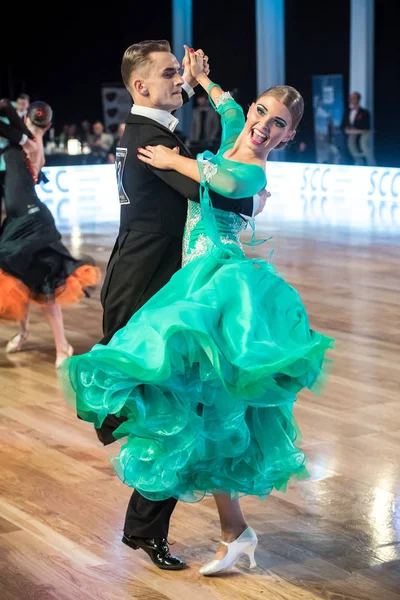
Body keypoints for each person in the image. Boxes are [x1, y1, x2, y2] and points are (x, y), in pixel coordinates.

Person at [60, 50, 334, 575]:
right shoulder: (202, 131)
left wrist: (177, 160)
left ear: (287, 137)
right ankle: (231, 529)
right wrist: (206, 81)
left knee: (200, 408)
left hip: (212, 288)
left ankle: (222, 528)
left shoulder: (246, 168)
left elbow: (228, 186)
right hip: (178, 285)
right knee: (197, 409)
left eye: (279, 123)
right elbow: (230, 115)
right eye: (261, 112)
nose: (262, 124)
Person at [0, 99, 101, 367]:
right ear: (50, 125)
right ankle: (25, 334)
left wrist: (19, 127)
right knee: (19, 282)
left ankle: (62, 346)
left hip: (32, 224)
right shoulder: (24, 143)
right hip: (18, 222)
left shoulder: (28, 144)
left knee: (45, 286)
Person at [342, 91, 375, 166]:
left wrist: (356, 129)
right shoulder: (347, 111)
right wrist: (347, 128)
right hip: (352, 132)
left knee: (363, 144)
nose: (351, 100)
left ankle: (371, 163)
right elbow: (344, 123)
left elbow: (366, 125)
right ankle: (360, 163)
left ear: (358, 100)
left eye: (354, 98)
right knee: (351, 145)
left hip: (363, 131)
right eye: (351, 98)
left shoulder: (364, 112)